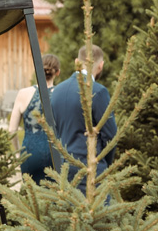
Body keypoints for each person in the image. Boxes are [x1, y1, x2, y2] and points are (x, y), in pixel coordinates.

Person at [48, 44, 117, 180]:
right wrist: (103, 162)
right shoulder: (98, 91)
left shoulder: (57, 91)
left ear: (76, 62)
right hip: (90, 168)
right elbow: (110, 135)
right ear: (101, 65)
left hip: (63, 166)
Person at [7, 54, 61, 183]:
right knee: (55, 197)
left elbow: (12, 129)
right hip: (55, 155)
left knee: (31, 197)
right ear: (57, 72)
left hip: (29, 153)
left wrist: (18, 153)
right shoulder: (61, 94)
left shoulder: (23, 94)